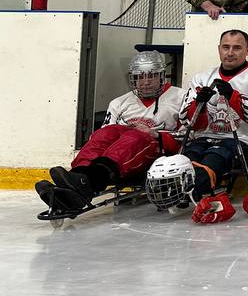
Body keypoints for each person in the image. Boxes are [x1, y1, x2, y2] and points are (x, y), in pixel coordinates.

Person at [35, 51, 185, 214]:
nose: (146, 82)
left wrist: (155, 134)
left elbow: (188, 137)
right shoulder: (119, 103)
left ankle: (87, 182)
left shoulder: (180, 98)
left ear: (162, 75)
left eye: (152, 76)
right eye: (140, 77)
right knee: (106, 133)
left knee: (134, 135)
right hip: (123, 159)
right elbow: (104, 140)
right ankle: (77, 177)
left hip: (158, 154)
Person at [164, 29, 248, 223]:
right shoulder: (202, 78)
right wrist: (198, 106)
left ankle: (188, 193)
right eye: (226, 47)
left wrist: (233, 96)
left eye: (237, 48)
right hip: (204, 138)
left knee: (213, 158)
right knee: (186, 159)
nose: (230, 52)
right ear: (219, 49)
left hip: (243, 141)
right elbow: (186, 120)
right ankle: (179, 192)